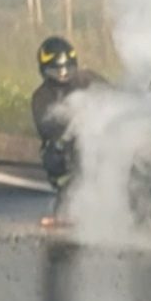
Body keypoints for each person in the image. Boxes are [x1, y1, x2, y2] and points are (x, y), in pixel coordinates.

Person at [31, 36, 107, 224]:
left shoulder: (89, 80)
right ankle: (65, 206)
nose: (63, 74)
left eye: (67, 69)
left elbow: (114, 96)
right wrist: (70, 128)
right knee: (56, 155)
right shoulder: (41, 96)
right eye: (56, 70)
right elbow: (46, 128)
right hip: (66, 147)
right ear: (45, 70)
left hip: (100, 137)